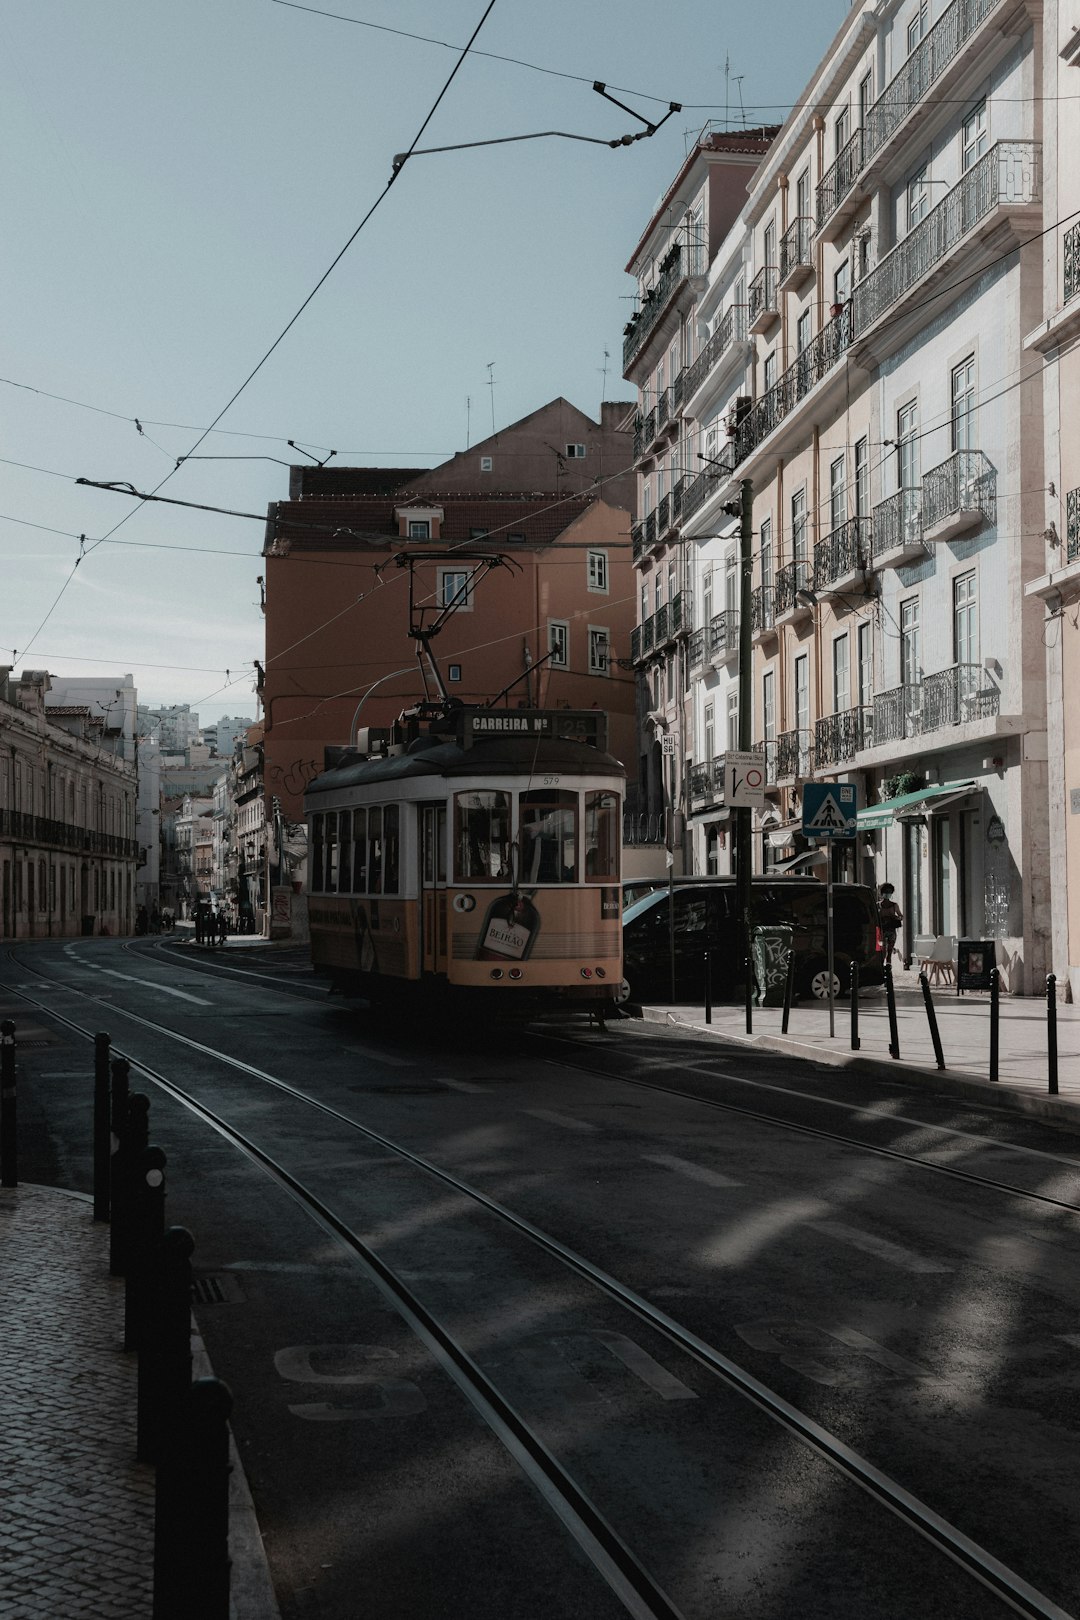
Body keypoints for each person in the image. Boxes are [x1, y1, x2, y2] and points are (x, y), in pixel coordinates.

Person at [878, 883, 903, 966]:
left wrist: (895, 917)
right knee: (883, 951)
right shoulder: (878, 905)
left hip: (891, 930)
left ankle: (888, 968)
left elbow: (901, 916)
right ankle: (881, 967)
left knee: (889, 951)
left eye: (889, 892)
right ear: (881, 893)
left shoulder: (894, 905)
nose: (887, 894)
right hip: (881, 931)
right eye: (885, 892)